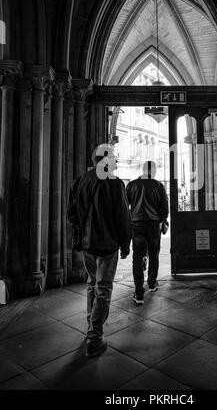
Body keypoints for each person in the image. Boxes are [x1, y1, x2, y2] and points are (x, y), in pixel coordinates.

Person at [67, 143, 131, 358]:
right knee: (103, 288)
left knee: (91, 284)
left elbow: (71, 215)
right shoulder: (114, 183)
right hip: (106, 244)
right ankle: (95, 338)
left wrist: (84, 232)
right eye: (114, 157)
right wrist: (124, 244)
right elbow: (123, 218)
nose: (117, 161)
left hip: (87, 244)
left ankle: (90, 326)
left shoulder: (80, 181)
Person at [126, 160, 169, 305]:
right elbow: (165, 208)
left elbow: (125, 206)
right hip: (153, 225)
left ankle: (138, 293)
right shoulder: (158, 185)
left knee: (137, 258)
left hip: (136, 224)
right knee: (154, 255)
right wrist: (161, 220)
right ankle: (151, 284)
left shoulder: (131, 185)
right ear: (154, 171)